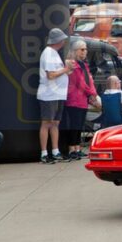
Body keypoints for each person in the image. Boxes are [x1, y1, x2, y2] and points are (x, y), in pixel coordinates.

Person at [38, 28, 74, 163]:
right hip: (49, 94)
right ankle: (44, 153)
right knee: (47, 123)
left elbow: (57, 73)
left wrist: (67, 70)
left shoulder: (54, 53)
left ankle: (55, 151)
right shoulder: (48, 53)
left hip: (57, 94)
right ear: (58, 40)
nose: (64, 41)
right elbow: (51, 75)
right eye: (63, 39)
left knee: (55, 123)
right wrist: (66, 69)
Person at [61, 40, 99, 161]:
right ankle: (72, 149)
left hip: (82, 99)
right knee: (74, 125)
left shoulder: (84, 65)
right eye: (82, 49)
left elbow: (90, 81)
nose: (85, 52)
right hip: (74, 99)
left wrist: (93, 94)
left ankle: (77, 148)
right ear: (75, 51)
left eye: (85, 49)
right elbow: (80, 83)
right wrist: (92, 94)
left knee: (79, 126)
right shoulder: (74, 64)